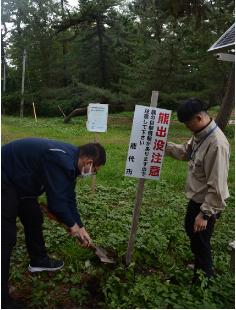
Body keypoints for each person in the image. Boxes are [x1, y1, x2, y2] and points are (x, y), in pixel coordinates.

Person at [1, 138, 106, 308]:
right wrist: (73, 227)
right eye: (95, 170)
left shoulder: (73, 161)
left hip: (21, 180)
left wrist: (81, 227)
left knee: (33, 216)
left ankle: (38, 261)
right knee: (5, 237)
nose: (93, 173)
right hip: (4, 174)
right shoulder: (61, 160)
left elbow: (68, 198)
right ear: (89, 162)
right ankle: (2, 301)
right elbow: (56, 203)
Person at [165, 98, 230, 283]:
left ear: (199, 117)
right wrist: (164, 146)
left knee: (200, 241)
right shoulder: (200, 134)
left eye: (187, 123)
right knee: (192, 232)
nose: (186, 127)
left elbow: (217, 186)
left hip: (206, 203)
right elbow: (186, 151)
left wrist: (205, 214)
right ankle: (201, 267)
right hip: (197, 199)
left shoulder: (216, 144)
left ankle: (203, 281)